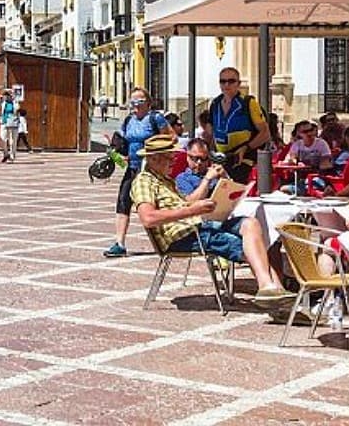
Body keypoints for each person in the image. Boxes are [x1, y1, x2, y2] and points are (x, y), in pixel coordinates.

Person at [131, 135, 290, 304]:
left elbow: (184, 205)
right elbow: (148, 218)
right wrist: (194, 209)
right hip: (184, 235)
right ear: (154, 158)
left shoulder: (166, 180)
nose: (173, 161)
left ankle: (271, 288)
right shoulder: (144, 181)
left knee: (251, 225)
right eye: (170, 158)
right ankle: (276, 295)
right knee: (251, 245)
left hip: (199, 225)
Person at [104, 87, 173, 258]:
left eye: (140, 102)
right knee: (123, 200)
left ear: (148, 104)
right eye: (132, 102)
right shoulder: (128, 121)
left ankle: (170, 239)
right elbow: (124, 143)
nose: (136, 106)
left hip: (150, 168)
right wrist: (118, 154)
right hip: (133, 166)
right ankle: (119, 243)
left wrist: (155, 152)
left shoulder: (155, 118)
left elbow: (171, 138)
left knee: (154, 204)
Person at [204, 68, 270, 183]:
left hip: (242, 161)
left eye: (231, 81)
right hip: (220, 161)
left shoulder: (248, 103)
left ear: (238, 84)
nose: (227, 84)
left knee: (235, 194)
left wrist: (246, 148)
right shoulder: (215, 104)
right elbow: (210, 133)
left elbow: (265, 134)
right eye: (223, 81)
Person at [0, 90, 19, 163]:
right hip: (4, 122)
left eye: (8, 95)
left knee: (13, 141)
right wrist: (0, 99)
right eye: (5, 95)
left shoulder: (14, 102)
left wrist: (15, 100)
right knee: (3, 139)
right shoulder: (3, 102)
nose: (6, 97)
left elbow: (17, 109)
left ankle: (12, 156)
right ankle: (6, 154)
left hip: (13, 123)